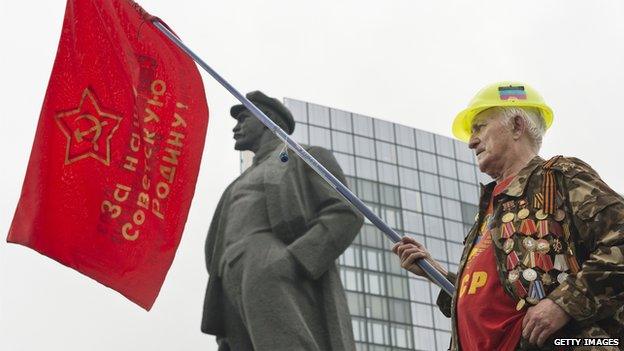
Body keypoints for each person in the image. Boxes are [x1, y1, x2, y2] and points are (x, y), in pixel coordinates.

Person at [393, 82, 624, 350]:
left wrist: (565, 303)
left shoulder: (559, 176)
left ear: (516, 125)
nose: (471, 141)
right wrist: (436, 273)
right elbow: (500, 293)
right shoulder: (490, 208)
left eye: (479, 127)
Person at [200, 90, 364, 351]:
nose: (236, 127)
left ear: (266, 119)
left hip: (270, 263)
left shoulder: (304, 156)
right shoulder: (235, 185)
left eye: (243, 119)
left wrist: (294, 259)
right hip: (229, 278)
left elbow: (346, 213)